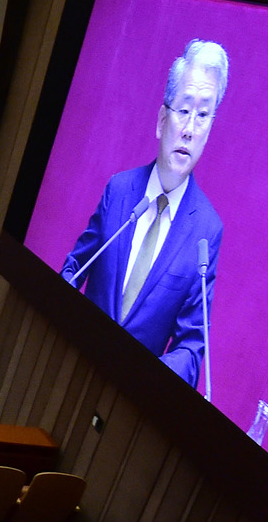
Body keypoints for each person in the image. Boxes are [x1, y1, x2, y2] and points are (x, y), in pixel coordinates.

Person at [58, 39, 227, 388]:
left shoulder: (206, 231)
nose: (190, 129)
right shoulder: (120, 191)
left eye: (204, 114)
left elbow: (192, 347)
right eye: (184, 110)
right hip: (71, 367)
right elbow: (75, 268)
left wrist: (151, 377)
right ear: (162, 119)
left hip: (130, 397)